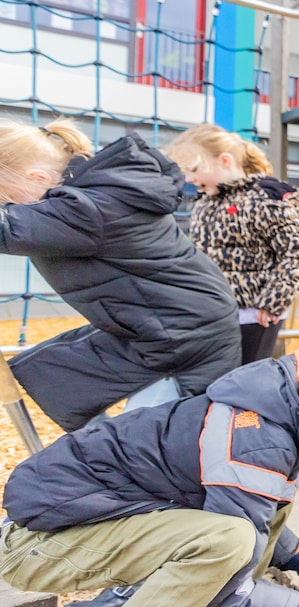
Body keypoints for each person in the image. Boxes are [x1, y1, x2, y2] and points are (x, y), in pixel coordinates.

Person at [0, 351, 299, 607]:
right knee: (229, 541)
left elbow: (260, 511)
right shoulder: (258, 445)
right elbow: (225, 573)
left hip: (67, 523)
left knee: (260, 517)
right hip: (38, 546)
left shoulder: (271, 412)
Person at [0, 117, 241, 430]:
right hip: (166, 325)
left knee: (144, 438)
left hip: (184, 336)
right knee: (56, 374)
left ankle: (119, 459)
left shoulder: (86, 208)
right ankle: (96, 452)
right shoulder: (96, 193)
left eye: (5, 197)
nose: (8, 206)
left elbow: (8, 230)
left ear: (38, 177)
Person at [165, 123, 299, 365]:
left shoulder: (263, 199)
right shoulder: (206, 202)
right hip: (213, 311)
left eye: (193, 169)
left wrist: (273, 301)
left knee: (242, 381)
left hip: (253, 316)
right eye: (185, 172)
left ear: (224, 160)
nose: (189, 178)